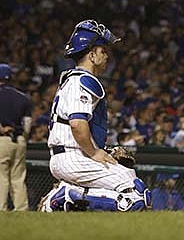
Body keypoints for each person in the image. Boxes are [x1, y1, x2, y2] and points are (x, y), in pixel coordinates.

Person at [39, 20, 151, 212]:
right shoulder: (82, 80)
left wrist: (103, 149)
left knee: (129, 177)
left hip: (71, 154)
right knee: (136, 196)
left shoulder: (72, 79)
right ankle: (63, 196)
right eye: (102, 51)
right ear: (91, 55)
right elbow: (76, 124)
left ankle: (73, 195)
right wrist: (95, 152)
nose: (106, 56)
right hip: (74, 157)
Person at [0, 63, 32, 211]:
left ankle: (1, 208)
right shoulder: (22, 97)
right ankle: (21, 208)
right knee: (18, 177)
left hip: (2, 139)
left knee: (2, 177)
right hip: (19, 139)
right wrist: (22, 137)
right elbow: (27, 125)